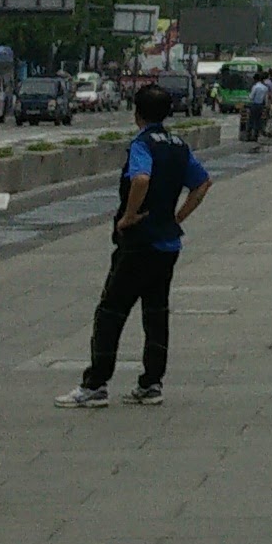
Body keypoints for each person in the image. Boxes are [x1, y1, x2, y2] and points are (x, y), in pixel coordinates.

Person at [68, 87, 210, 409]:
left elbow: (141, 179)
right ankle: (151, 383)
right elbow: (203, 183)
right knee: (156, 314)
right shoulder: (179, 145)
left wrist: (129, 216)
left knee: (111, 312)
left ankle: (95, 384)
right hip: (168, 244)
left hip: (139, 243)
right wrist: (179, 216)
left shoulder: (142, 144)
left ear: (137, 114)